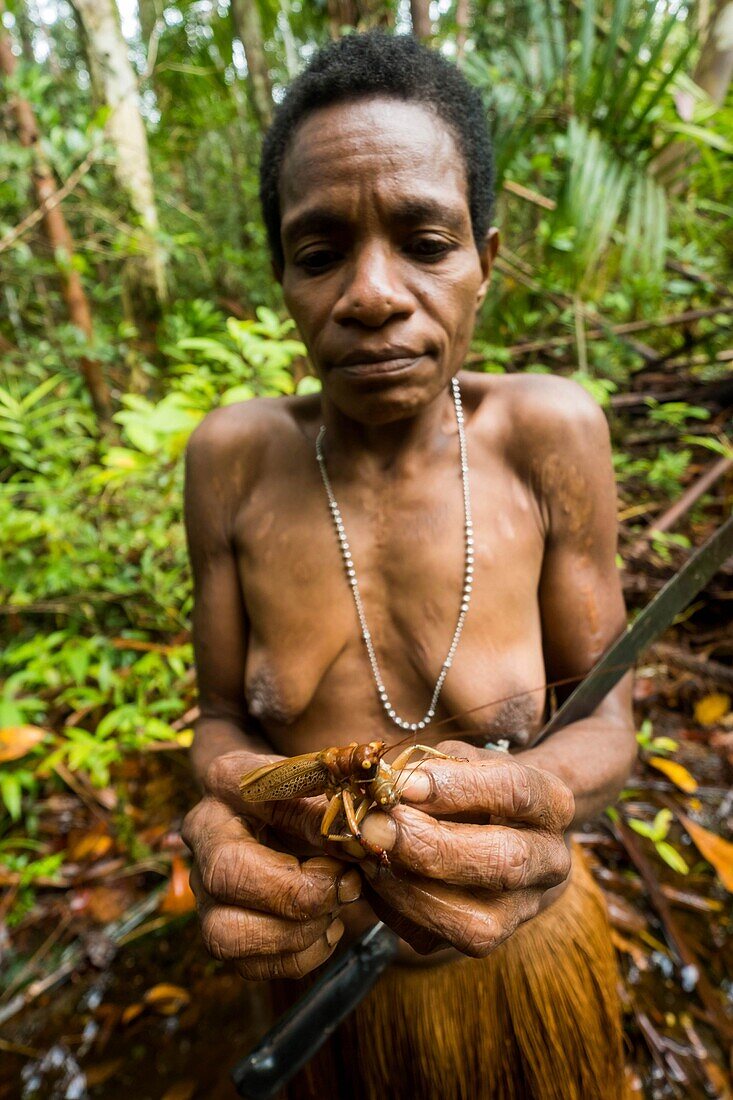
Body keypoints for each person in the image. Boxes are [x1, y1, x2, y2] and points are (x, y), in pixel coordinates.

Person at [182, 32, 635, 1100]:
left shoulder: (549, 434)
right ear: (282, 276)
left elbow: (606, 717)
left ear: (486, 254)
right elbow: (215, 720)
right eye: (320, 250)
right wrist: (233, 808)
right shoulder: (231, 459)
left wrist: (534, 797)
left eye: (425, 243)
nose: (373, 293)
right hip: (321, 984)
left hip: (515, 956)